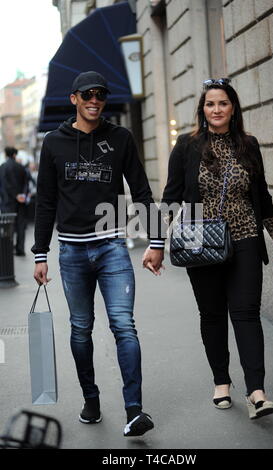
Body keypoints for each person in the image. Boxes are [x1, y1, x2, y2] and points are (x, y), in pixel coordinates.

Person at [143, 78, 273, 420]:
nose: (217, 109)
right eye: (210, 104)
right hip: (199, 240)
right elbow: (172, 196)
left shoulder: (249, 145)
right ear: (203, 110)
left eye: (223, 103)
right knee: (211, 313)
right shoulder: (187, 146)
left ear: (233, 108)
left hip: (245, 239)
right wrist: (156, 243)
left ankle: (256, 391)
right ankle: (221, 381)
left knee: (246, 312)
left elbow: (262, 195)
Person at [32, 71, 163, 436]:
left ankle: (134, 410)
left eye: (101, 94)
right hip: (71, 252)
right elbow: (45, 201)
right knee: (80, 329)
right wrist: (40, 252)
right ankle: (91, 399)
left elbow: (141, 190)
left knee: (124, 325)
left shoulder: (120, 137)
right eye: (88, 94)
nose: (95, 99)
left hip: (112, 247)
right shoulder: (53, 143)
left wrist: (156, 242)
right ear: (74, 98)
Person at [0, 146, 28, 255]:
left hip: (7, 202)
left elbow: (5, 185)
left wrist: (14, 195)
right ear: (14, 155)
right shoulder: (21, 167)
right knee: (20, 226)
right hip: (20, 202)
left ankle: (8, 249)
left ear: (6, 154)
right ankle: (20, 249)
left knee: (8, 227)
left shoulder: (2, 167)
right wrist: (22, 195)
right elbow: (26, 184)